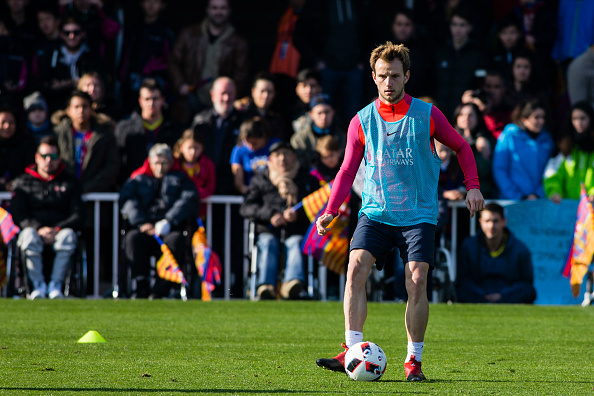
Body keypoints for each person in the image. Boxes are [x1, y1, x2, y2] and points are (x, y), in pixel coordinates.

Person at [315, 41, 484, 381]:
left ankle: (413, 362)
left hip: (417, 216)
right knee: (355, 268)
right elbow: (347, 170)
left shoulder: (427, 115)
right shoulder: (361, 120)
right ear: (374, 78)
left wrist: (473, 185)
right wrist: (331, 209)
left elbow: (462, 146)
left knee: (417, 280)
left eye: (395, 75)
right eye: (382, 76)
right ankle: (351, 349)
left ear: (407, 75)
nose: (388, 83)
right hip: (375, 213)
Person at [239, 141, 319, 300]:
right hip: (268, 230)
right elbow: (247, 207)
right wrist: (271, 215)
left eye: (287, 154)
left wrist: (298, 215)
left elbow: (316, 206)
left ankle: (292, 285)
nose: (282, 159)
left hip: (295, 230)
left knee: (295, 243)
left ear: (294, 156)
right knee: (268, 243)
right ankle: (266, 286)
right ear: (270, 158)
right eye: (277, 155)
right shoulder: (261, 179)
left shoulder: (307, 178)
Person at [119, 143, 199, 298]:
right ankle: (141, 285)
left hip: (169, 229)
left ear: (170, 163)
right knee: (132, 238)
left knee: (176, 241)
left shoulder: (181, 179)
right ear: (150, 162)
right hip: (145, 228)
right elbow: (128, 201)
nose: (160, 167)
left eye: (164, 163)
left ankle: (160, 288)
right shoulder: (139, 179)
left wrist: (169, 220)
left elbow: (188, 199)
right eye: (156, 163)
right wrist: (142, 222)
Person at [11, 136, 85, 299]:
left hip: (60, 231)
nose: (48, 161)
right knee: (28, 235)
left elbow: (78, 214)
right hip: (34, 230)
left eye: (53, 156)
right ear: (37, 158)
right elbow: (18, 213)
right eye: (44, 156)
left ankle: (56, 286)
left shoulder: (70, 182)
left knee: (68, 236)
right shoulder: (23, 182)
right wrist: (38, 228)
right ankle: (36, 286)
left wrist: (56, 229)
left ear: (59, 158)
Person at [168, 0, 249, 123]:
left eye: (223, 8)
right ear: (207, 9)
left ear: (229, 11)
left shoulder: (238, 42)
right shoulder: (189, 34)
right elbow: (173, 61)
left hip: (221, 102)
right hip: (193, 97)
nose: (218, 12)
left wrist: (228, 95)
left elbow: (241, 74)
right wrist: (180, 84)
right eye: (214, 8)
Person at [456, 203, 536, 304]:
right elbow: (463, 280)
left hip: (507, 295)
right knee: (461, 290)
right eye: (487, 221)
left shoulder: (520, 249)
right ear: (480, 222)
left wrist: (502, 295)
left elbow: (526, 283)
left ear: (504, 221)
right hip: (478, 294)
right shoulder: (468, 246)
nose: (491, 226)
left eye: (495, 221)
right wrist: (482, 294)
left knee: (529, 291)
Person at [52, 89, 119, 194]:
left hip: (95, 196)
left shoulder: (104, 135)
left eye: (85, 106)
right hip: (65, 195)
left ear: (92, 109)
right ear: (68, 110)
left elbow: (111, 166)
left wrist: (88, 188)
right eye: (76, 107)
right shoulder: (57, 134)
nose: (81, 111)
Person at [115, 78, 181, 183]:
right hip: (133, 186)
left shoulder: (176, 130)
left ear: (162, 100)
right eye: (147, 99)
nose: (151, 103)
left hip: (166, 189)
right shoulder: (124, 129)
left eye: (155, 99)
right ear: (140, 101)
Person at [36, 16, 103, 114]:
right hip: (57, 109)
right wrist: (72, 83)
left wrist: (60, 84)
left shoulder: (92, 57)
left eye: (76, 32)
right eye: (67, 33)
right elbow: (44, 86)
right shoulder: (51, 56)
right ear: (61, 34)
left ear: (83, 34)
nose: (72, 36)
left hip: (88, 111)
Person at [118, 0, 174, 114]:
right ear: (142, 3)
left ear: (163, 5)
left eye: (156, 2)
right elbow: (125, 57)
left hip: (156, 83)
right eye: (148, 1)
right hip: (131, 83)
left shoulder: (166, 32)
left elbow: (170, 62)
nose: (151, 5)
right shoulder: (134, 29)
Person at [191, 76, 244, 195]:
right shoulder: (200, 121)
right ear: (212, 95)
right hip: (205, 184)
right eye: (223, 93)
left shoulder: (243, 122)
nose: (226, 98)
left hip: (232, 187)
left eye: (230, 94)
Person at [432, 8, 487, 120]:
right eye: (454, 24)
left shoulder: (478, 55)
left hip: (463, 116)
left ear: (470, 27)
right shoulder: (440, 52)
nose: (457, 29)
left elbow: (481, 85)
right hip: (437, 113)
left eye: (462, 25)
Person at [493, 99, 554, 200]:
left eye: (543, 117)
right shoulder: (509, 136)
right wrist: (518, 196)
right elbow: (499, 169)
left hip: (538, 201)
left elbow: (550, 171)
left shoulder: (547, 140)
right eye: (536, 117)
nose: (541, 121)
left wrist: (538, 194)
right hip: (512, 201)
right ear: (524, 119)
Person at [544, 101, 594, 202]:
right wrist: (554, 191)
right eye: (574, 119)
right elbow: (552, 173)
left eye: (583, 118)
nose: (578, 123)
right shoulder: (565, 145)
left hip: (590, 208)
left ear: (591, 119)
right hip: (567, 207)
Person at [291, 93, 346, 170]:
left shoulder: (344, 138)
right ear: (311, 114)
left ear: (333, 112)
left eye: (327, 112)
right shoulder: (299, 140)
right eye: (319, 113)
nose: (324, 117)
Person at [172, 129, 216, 219]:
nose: (193, 152)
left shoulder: (207, 164)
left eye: (196, 148)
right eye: (189, 148)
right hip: (176, 211)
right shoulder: (174, 164)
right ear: (181, 147)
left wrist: (193, 194)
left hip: (200, 213)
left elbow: (211, 187)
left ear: (202, 148)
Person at [230, 116, 279, 195]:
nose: (251, 146)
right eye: (247, 142)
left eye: (254, 143)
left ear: (264, 136)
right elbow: (239, 183)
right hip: (250, 193)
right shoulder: (239, 149)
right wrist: (250, 192)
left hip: (273, 192)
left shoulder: (275, 146)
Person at [0, 106, 36, 191]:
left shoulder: (26, 144)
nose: (7, 126)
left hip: (20, 190)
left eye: (11, 122)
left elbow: (31, 169)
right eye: (3, 122)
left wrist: (16, 182)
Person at [290, 68, 322, 132]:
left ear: (319, 88)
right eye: (304, 86)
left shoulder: (326, 110)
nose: (308, 90)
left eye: (312, 86)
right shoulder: (289, 112)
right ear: (297, 89)